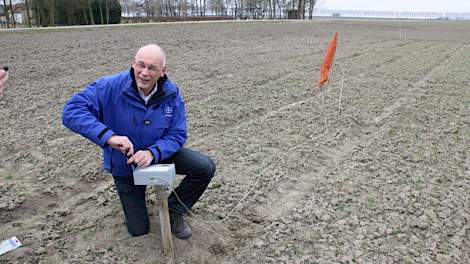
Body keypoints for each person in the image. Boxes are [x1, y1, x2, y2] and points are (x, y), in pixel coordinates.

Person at [62, 44, 215, 239]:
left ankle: (174, 210)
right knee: (139, 229)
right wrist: (109, 137)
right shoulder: (109, 87)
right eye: (140, 65)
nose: (144, 73)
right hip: (126, 165)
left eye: (152, 68)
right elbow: (72, 111)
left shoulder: (172, 94)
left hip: (160, 156)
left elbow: (177, 134)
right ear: (133, 63)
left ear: (162, 72)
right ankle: (136, 204)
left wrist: (153, 153)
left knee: (204, 167)